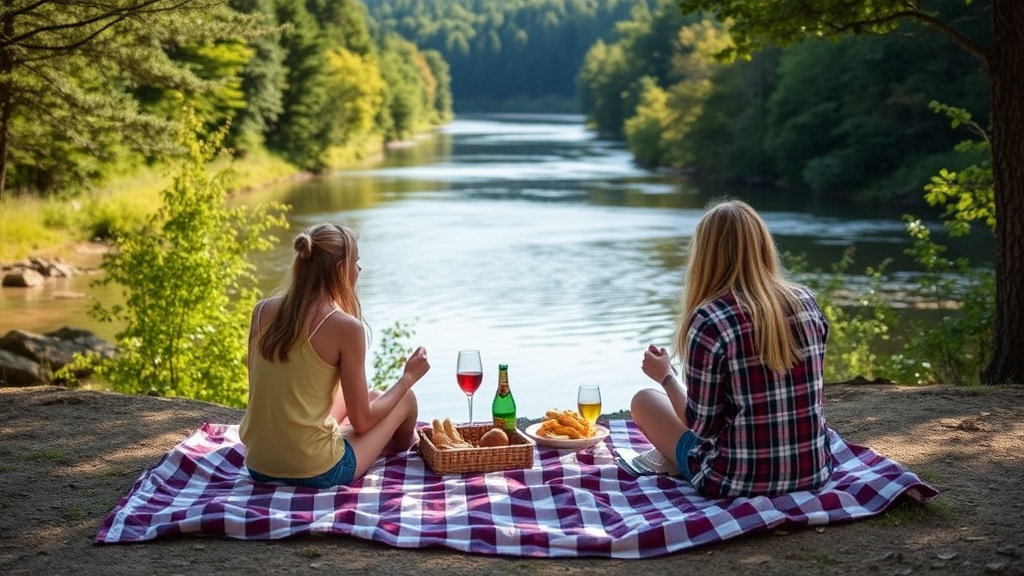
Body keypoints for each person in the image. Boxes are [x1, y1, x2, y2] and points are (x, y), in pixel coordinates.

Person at [631, 199, 832, 498]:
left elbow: (703, 426)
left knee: (645, 401)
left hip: (734, 481)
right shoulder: (806, 302)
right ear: (762, 245)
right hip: (813, 470)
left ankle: (674, 461)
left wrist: (667, 377)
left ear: (705, 256)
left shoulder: (710, 319)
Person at [239, 222, 430, 488]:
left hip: (259, 464)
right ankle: (401, 448)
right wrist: (408, 377)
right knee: (404, 398)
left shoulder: (261, 311)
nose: (359, 270)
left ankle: (361, 438)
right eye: (356, 262)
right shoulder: (346, 328)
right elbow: (362, 423)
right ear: (340, 269)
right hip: (316, 470)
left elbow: (265, 393)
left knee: (371, 396)